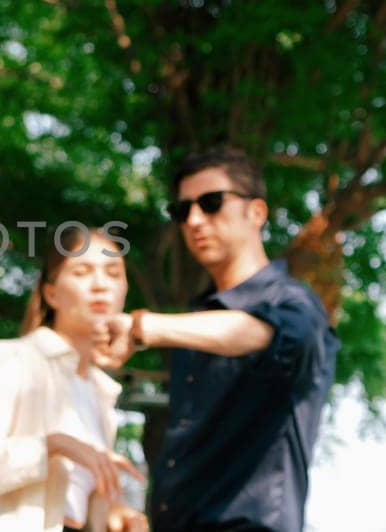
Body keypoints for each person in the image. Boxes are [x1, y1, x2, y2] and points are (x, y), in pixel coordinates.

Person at [99, 147, 340, 531]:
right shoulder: (198, 321)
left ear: (256, 212)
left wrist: (145, 326)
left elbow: (271, 335)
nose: (194, 220)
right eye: (182, 210)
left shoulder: (292, 302)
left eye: (211, 203)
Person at [0, 226, 149, 531]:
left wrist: (114, 514)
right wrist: (53, 445)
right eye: (82, 271)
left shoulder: (100, 392)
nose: (100, 285)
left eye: (113, 272)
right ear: (51, 293)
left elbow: (68, 508)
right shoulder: (9, 361)